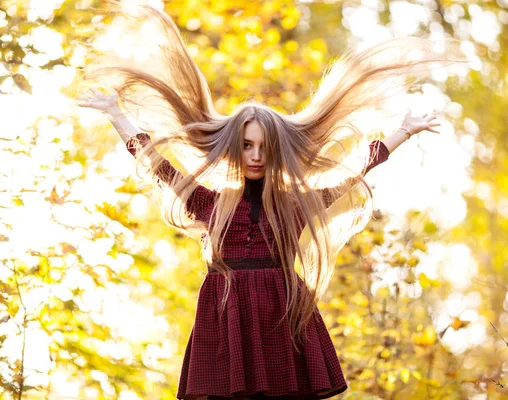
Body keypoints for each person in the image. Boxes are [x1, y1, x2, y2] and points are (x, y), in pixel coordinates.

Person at [77, 4, 463, 399]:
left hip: (281, 318)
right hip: (225, 320)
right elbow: (160, 166)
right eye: (247, 146)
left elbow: (349, 178)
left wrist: (401, 133)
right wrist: (116, 115)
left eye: (264, 147)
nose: (256, 155)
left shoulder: (292, 207)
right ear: (233, 149)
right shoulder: (211, 204)